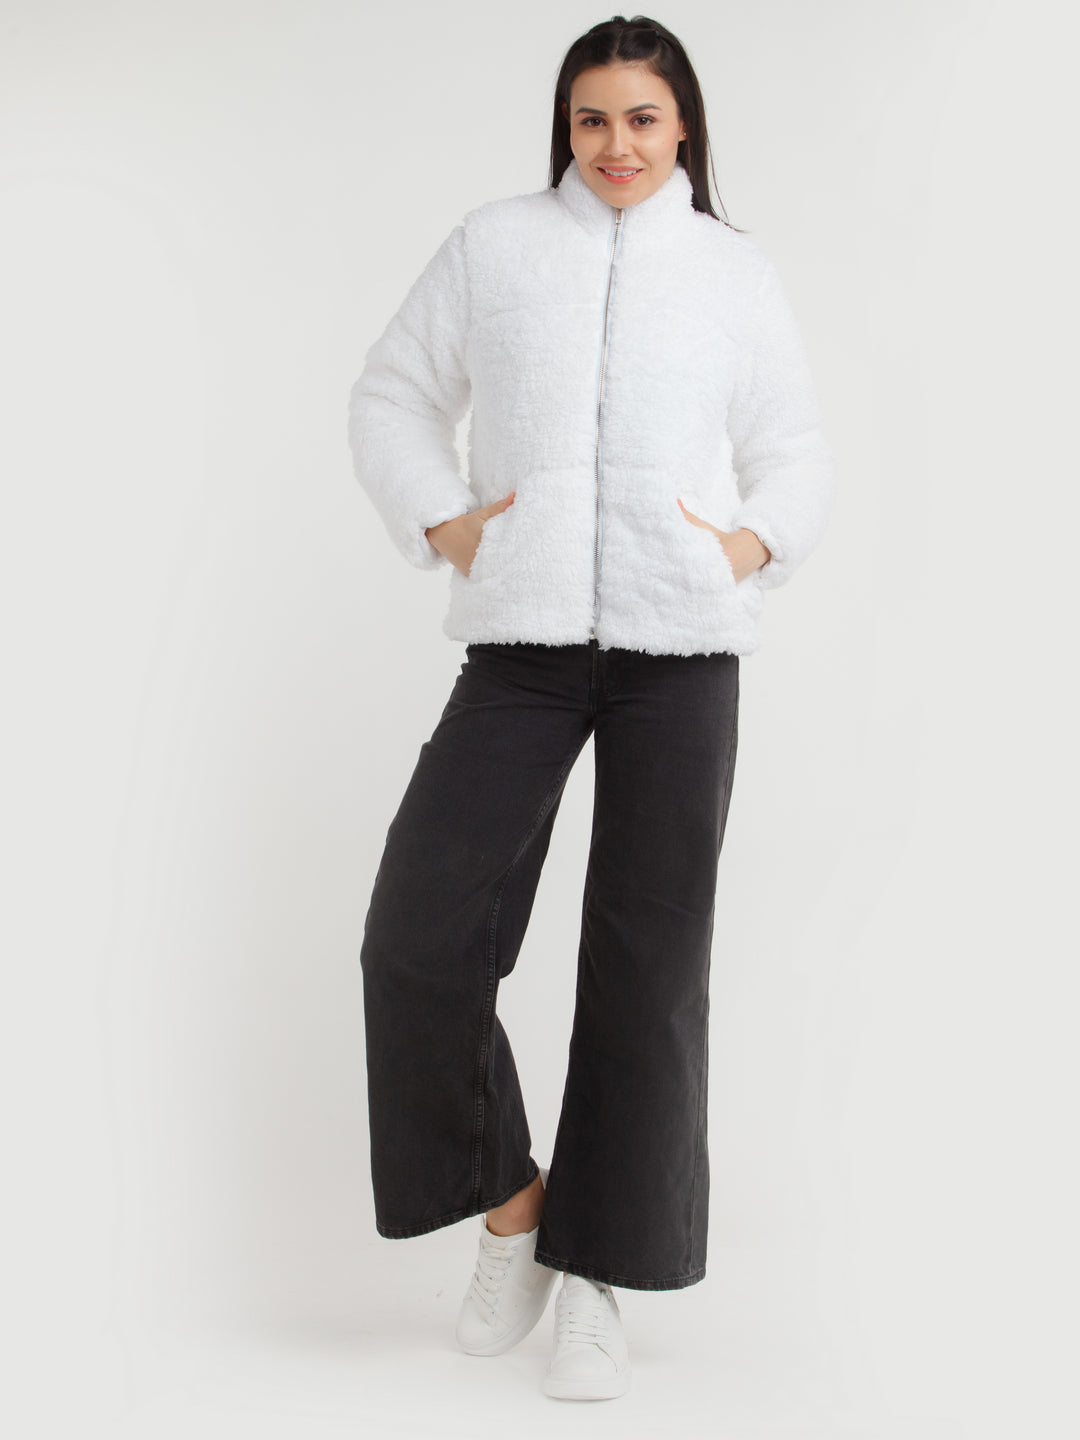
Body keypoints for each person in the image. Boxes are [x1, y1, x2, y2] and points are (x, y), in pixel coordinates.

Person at [346, 14, 835, 1402]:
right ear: (566, 129)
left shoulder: (733, 274)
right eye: (592, 119)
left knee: (647, 969)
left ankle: (601, 1274)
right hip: (523, 646)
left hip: (683, 653)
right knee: (416, 938)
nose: (618, 144)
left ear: (684, 128)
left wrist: (751, 546)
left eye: (643, 117)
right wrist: (444, 521)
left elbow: (796, 445)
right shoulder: (495, 248)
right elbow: (390, 396)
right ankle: (517, 1209)